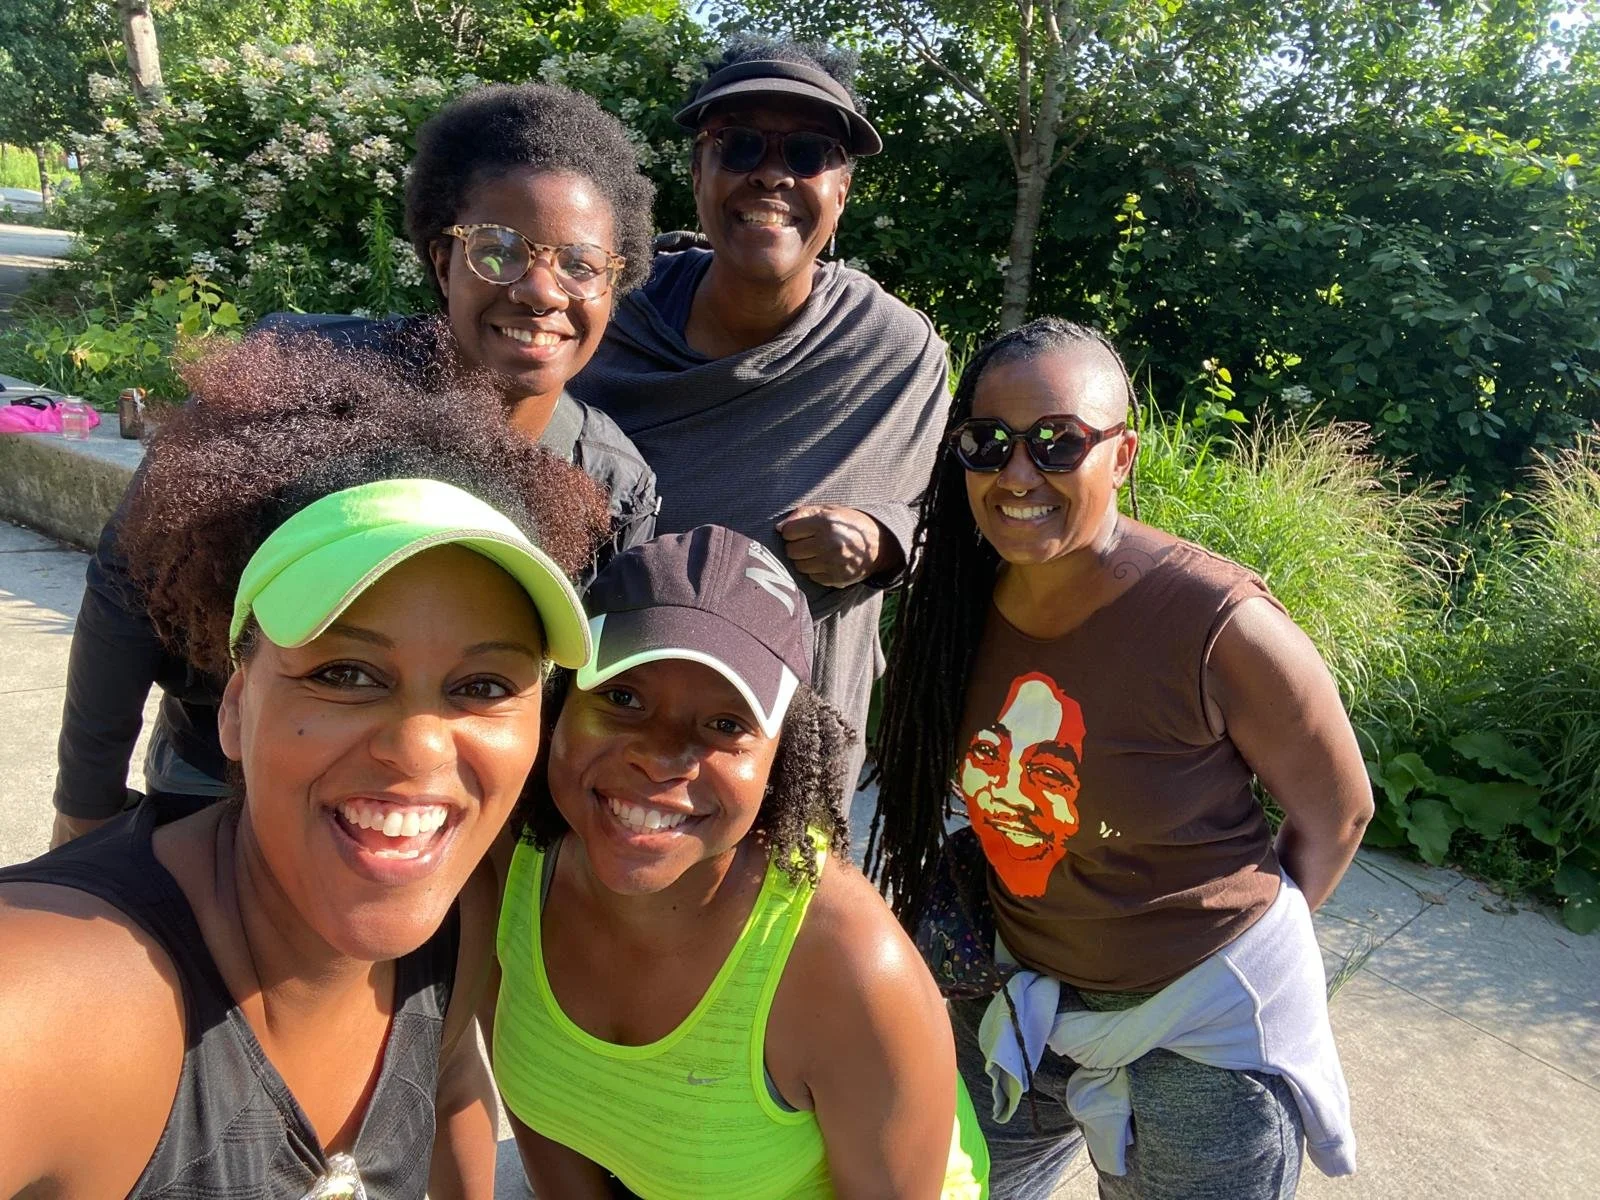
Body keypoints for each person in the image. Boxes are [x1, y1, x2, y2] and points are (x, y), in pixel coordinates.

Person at [0, 336, 610, 1196]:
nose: (420, 748)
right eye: (346, 674)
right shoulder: (49, 1001)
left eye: (482, 686)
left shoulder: (458, 921)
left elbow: (446, 1084)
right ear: (236, 706)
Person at [52, 82, 658, 843]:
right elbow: (127, 582)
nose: (541, 290)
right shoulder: (297, 380)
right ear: (444, 259)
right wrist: (84, 809)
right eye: (499, 250)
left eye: (580, 264)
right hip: (218, 788)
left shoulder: (611, 484)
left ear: (613, 286)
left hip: (436, 817)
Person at [870, 318, 1370, 1198]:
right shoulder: (956, 605)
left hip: (1197, 1038)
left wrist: (1212, 958)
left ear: (1124, 456)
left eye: (1058, 442)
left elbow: (1339, 813)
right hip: (1018, 999)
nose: (1018, 473)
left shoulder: (1218, 624)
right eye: (988, 443)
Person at [488, 525, 990, 1199]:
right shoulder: (513, 860)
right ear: (560, 703)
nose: (660, 757)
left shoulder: (850, 970)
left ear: (780, 759)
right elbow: (547, 1124)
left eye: (725, 725)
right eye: (623, 697)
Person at [569, 37, 949, 794]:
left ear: (842, 190)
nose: (772, 174)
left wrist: (881, 542)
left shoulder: (894, 351)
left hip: (786, 747)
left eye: (807, 153)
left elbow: (934, 519)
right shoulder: (605, 319)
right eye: (739, 144)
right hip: (601, 719)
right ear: (698, 173)